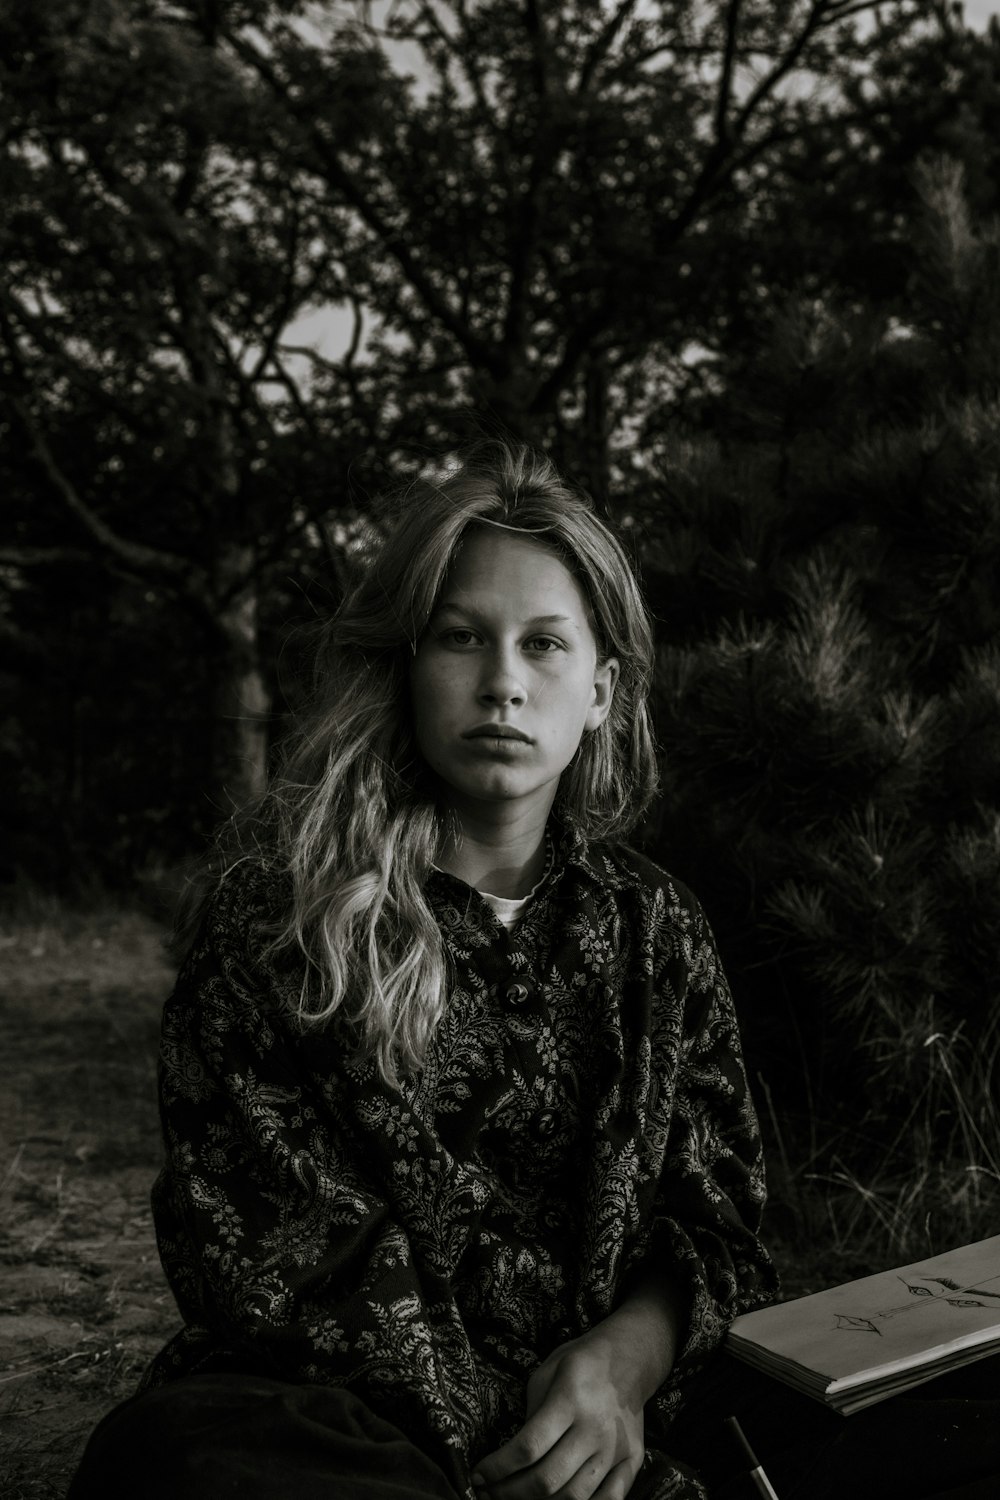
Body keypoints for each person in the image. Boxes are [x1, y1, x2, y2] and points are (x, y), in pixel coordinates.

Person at [67, 442, 1000, 1500]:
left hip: (630, 1417)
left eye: (543, 645)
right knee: (181, 1459)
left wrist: (618, 1371)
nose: (503, 681)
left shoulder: (658, 930)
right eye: (462, 637)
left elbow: (717, 1225)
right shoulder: (280, 921)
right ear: (407, 665)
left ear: (600, 690)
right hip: (353, 1421)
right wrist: (521, 1452)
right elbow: (258, 1250)